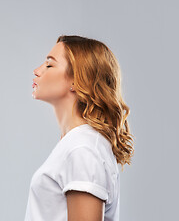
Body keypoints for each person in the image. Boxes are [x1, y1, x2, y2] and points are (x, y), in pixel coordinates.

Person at [25, 35, 133, 221]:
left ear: (77, 81)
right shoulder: (78, 144)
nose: (37, 71)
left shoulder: (83, 149)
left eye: (49, 65)